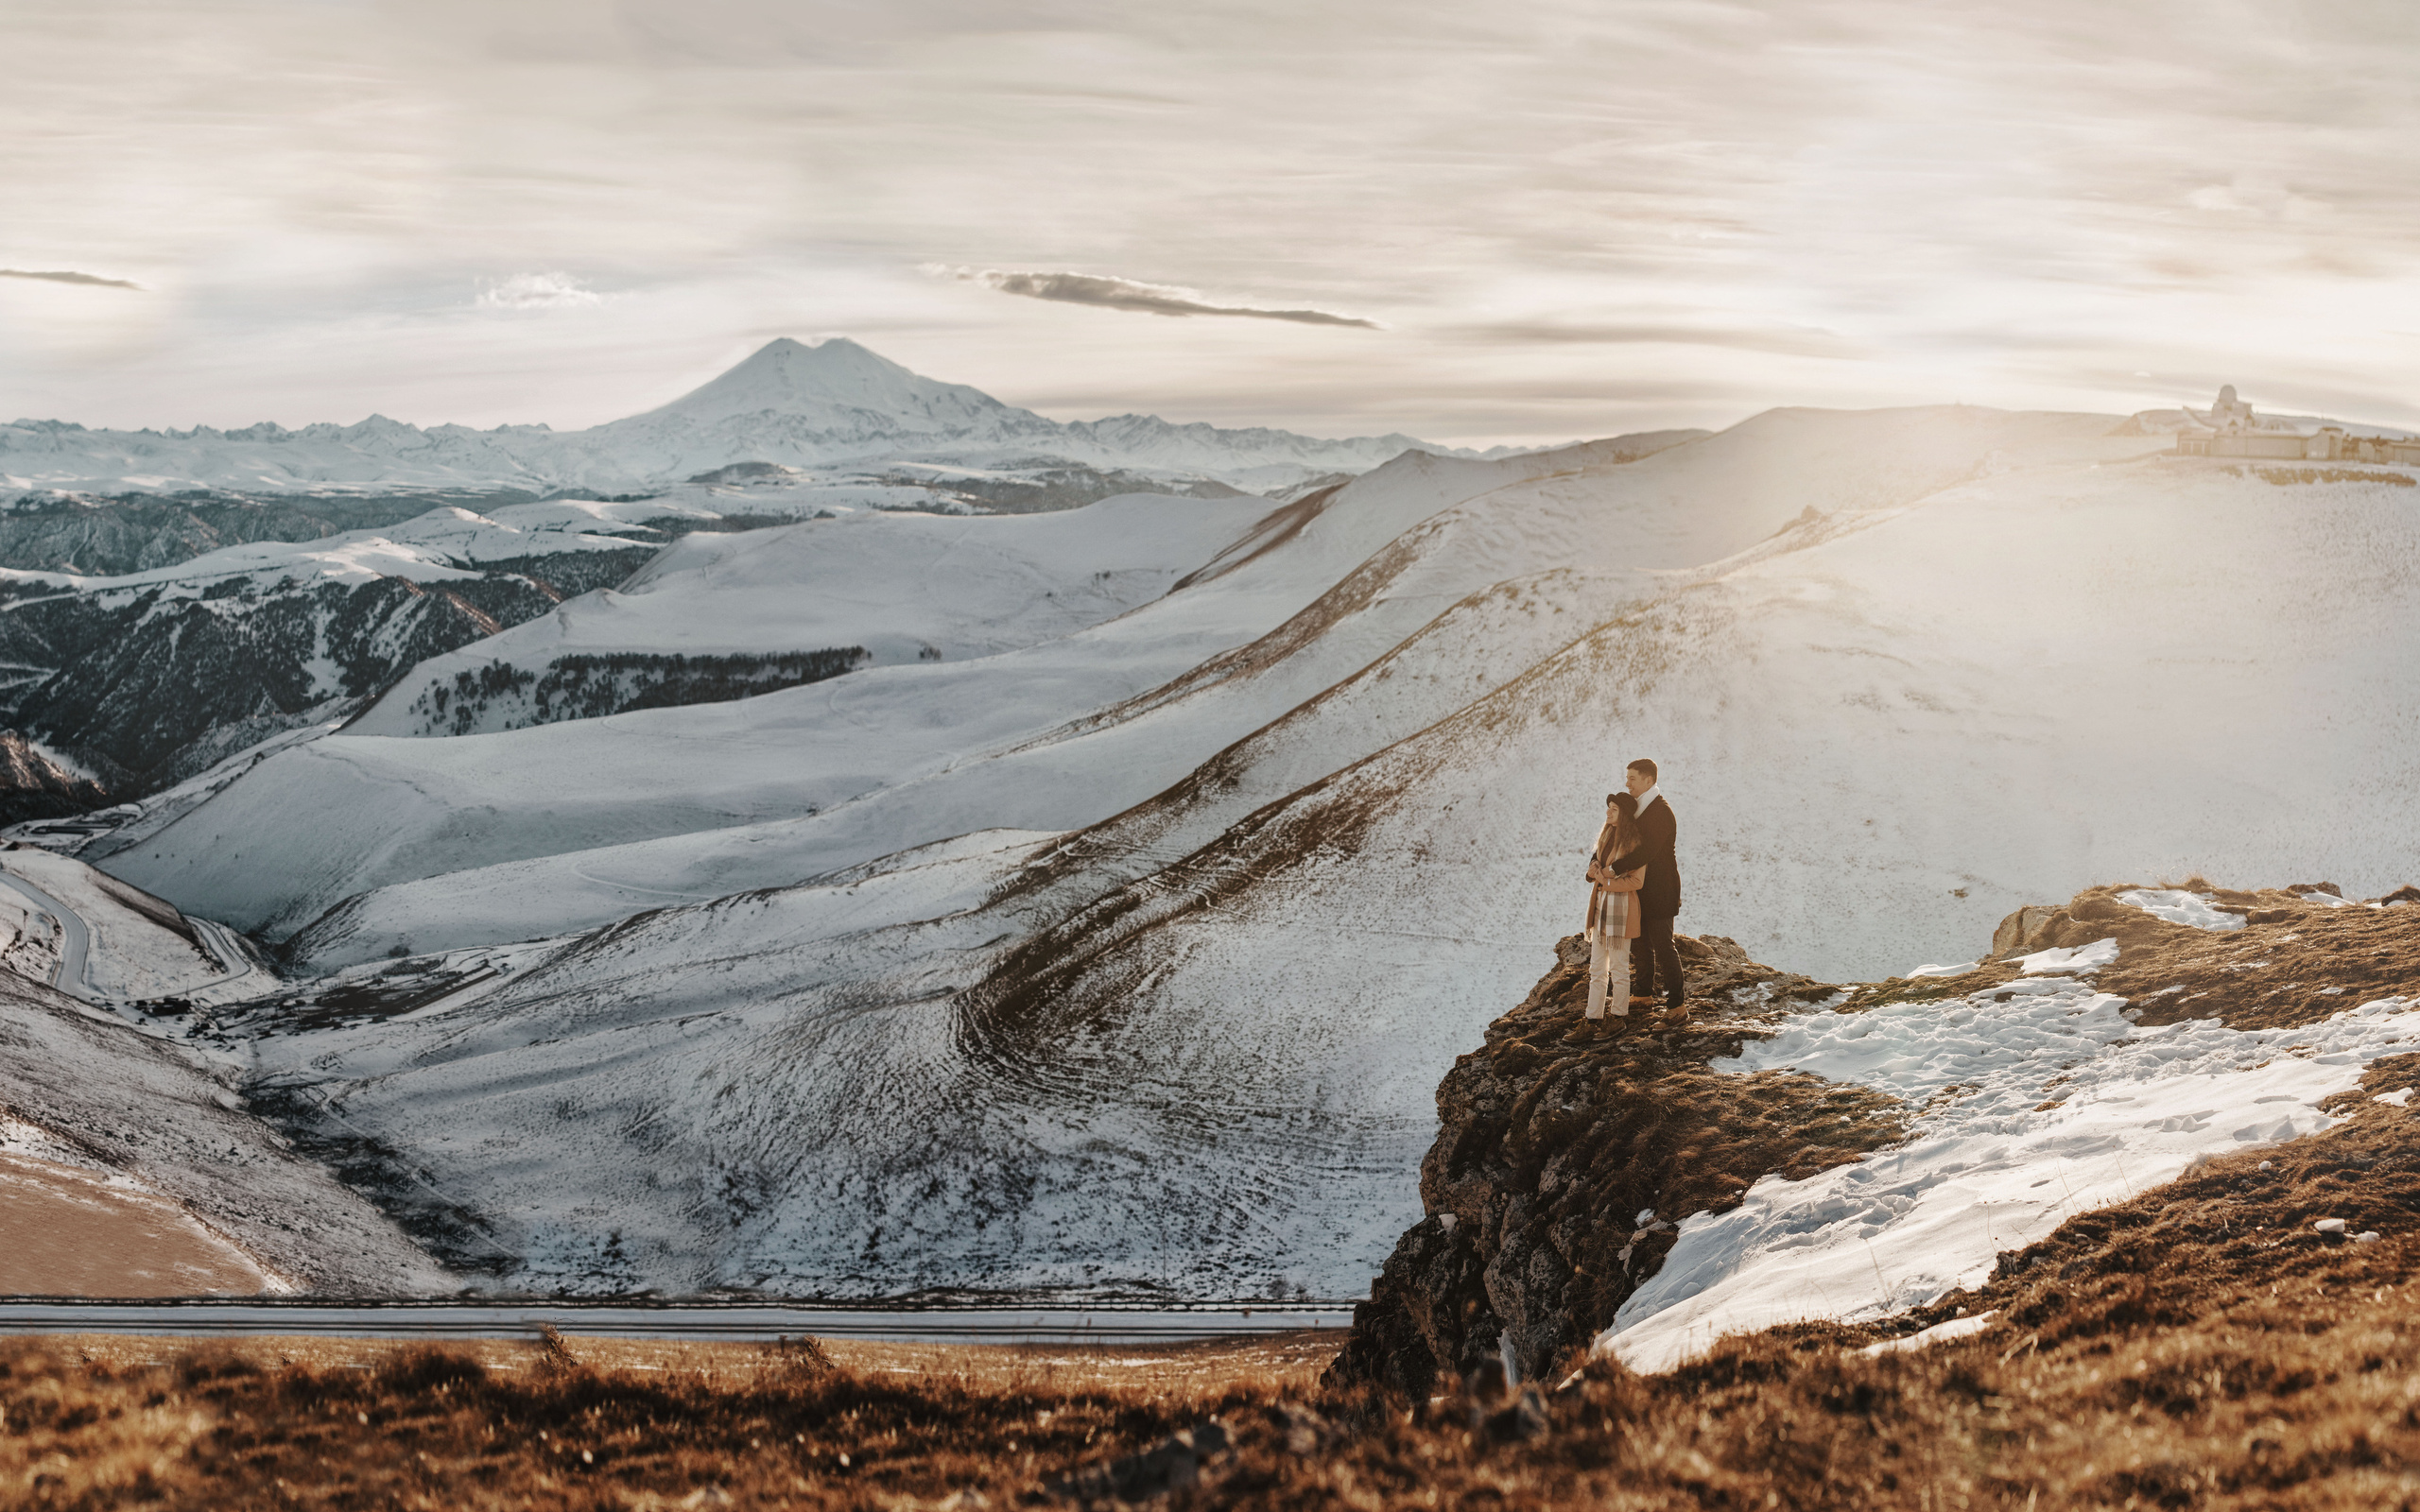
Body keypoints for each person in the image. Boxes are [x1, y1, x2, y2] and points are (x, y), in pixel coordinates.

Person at [1606, 758, 1685, 1015]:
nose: (1627, 783)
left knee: (1664, 947)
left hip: (1661, 890)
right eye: (1627, 778)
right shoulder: (1637, 809)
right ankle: (1642, 995)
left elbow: (1648, 851)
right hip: (1639, 890)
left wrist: (1615, 868)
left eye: (1632, 778)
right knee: (1640, 945)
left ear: (1649, 780)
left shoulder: (1661, 812)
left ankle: (1677, 1007)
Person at [1573, 792, 1644, 1038]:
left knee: (1619, 967)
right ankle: (1592, 1019)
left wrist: (1606, 880)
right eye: (1608, 808)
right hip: (1601, 908)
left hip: (1621, 911)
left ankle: (1618, 1018)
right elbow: (1594, 866)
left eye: (1614, 809)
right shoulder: (1605, 837)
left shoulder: (1634, 844)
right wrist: (1595, 871)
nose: (1608, 812)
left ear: (1624, 814)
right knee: (1596, 969)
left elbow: (1637, 881)